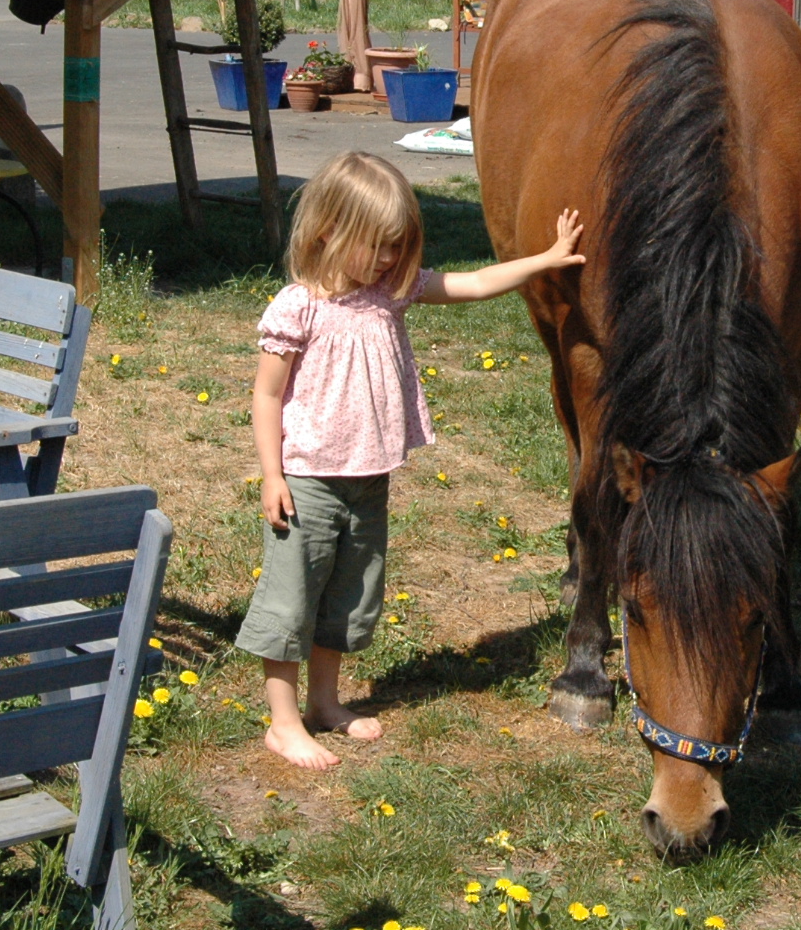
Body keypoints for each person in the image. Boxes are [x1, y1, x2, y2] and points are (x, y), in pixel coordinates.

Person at [241, 151, 585, 768]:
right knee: (292, 600)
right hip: (308, 480)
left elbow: (470, 283)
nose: (388, 259)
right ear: (328, 232)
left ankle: (324, 702)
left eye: (397, 245)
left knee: (347, 598)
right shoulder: (300, 306)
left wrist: (546, 259)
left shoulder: (391, 294)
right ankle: (283, 723)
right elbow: (267, 395)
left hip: (368, 479)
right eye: (376, 245)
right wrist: (272, 475)